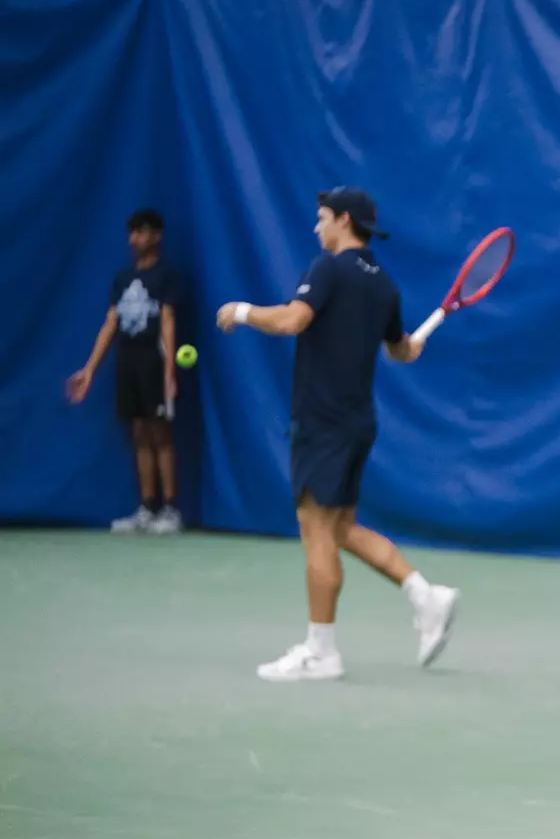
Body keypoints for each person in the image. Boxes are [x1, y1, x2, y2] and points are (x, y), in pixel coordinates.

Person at [215, 186, 459, 682]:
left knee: (317, 531)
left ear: (344, 220)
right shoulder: (385, 285)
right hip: (357, 423)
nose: (316, 227)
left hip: (323, 422)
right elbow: (400, 350)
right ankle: (425, 595)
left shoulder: (327, 269)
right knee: (342, 528)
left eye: (322, 217)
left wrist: (241, 311)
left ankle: (321, 651)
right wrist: (411, 345)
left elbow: (292, 320)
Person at [66, 208, 184, 534]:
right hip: (127, 363)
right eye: (132, 232)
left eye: (142, 232)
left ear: (157, 236)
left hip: (154, 363)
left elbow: (168, 321)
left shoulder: (166, 276)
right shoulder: (122, 278)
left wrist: (169, 371)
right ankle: (146, 508)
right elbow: (110, 323)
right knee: (139, 432)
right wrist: (89, 370)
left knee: (160, 433)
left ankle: (171, 511)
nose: (135, 239)